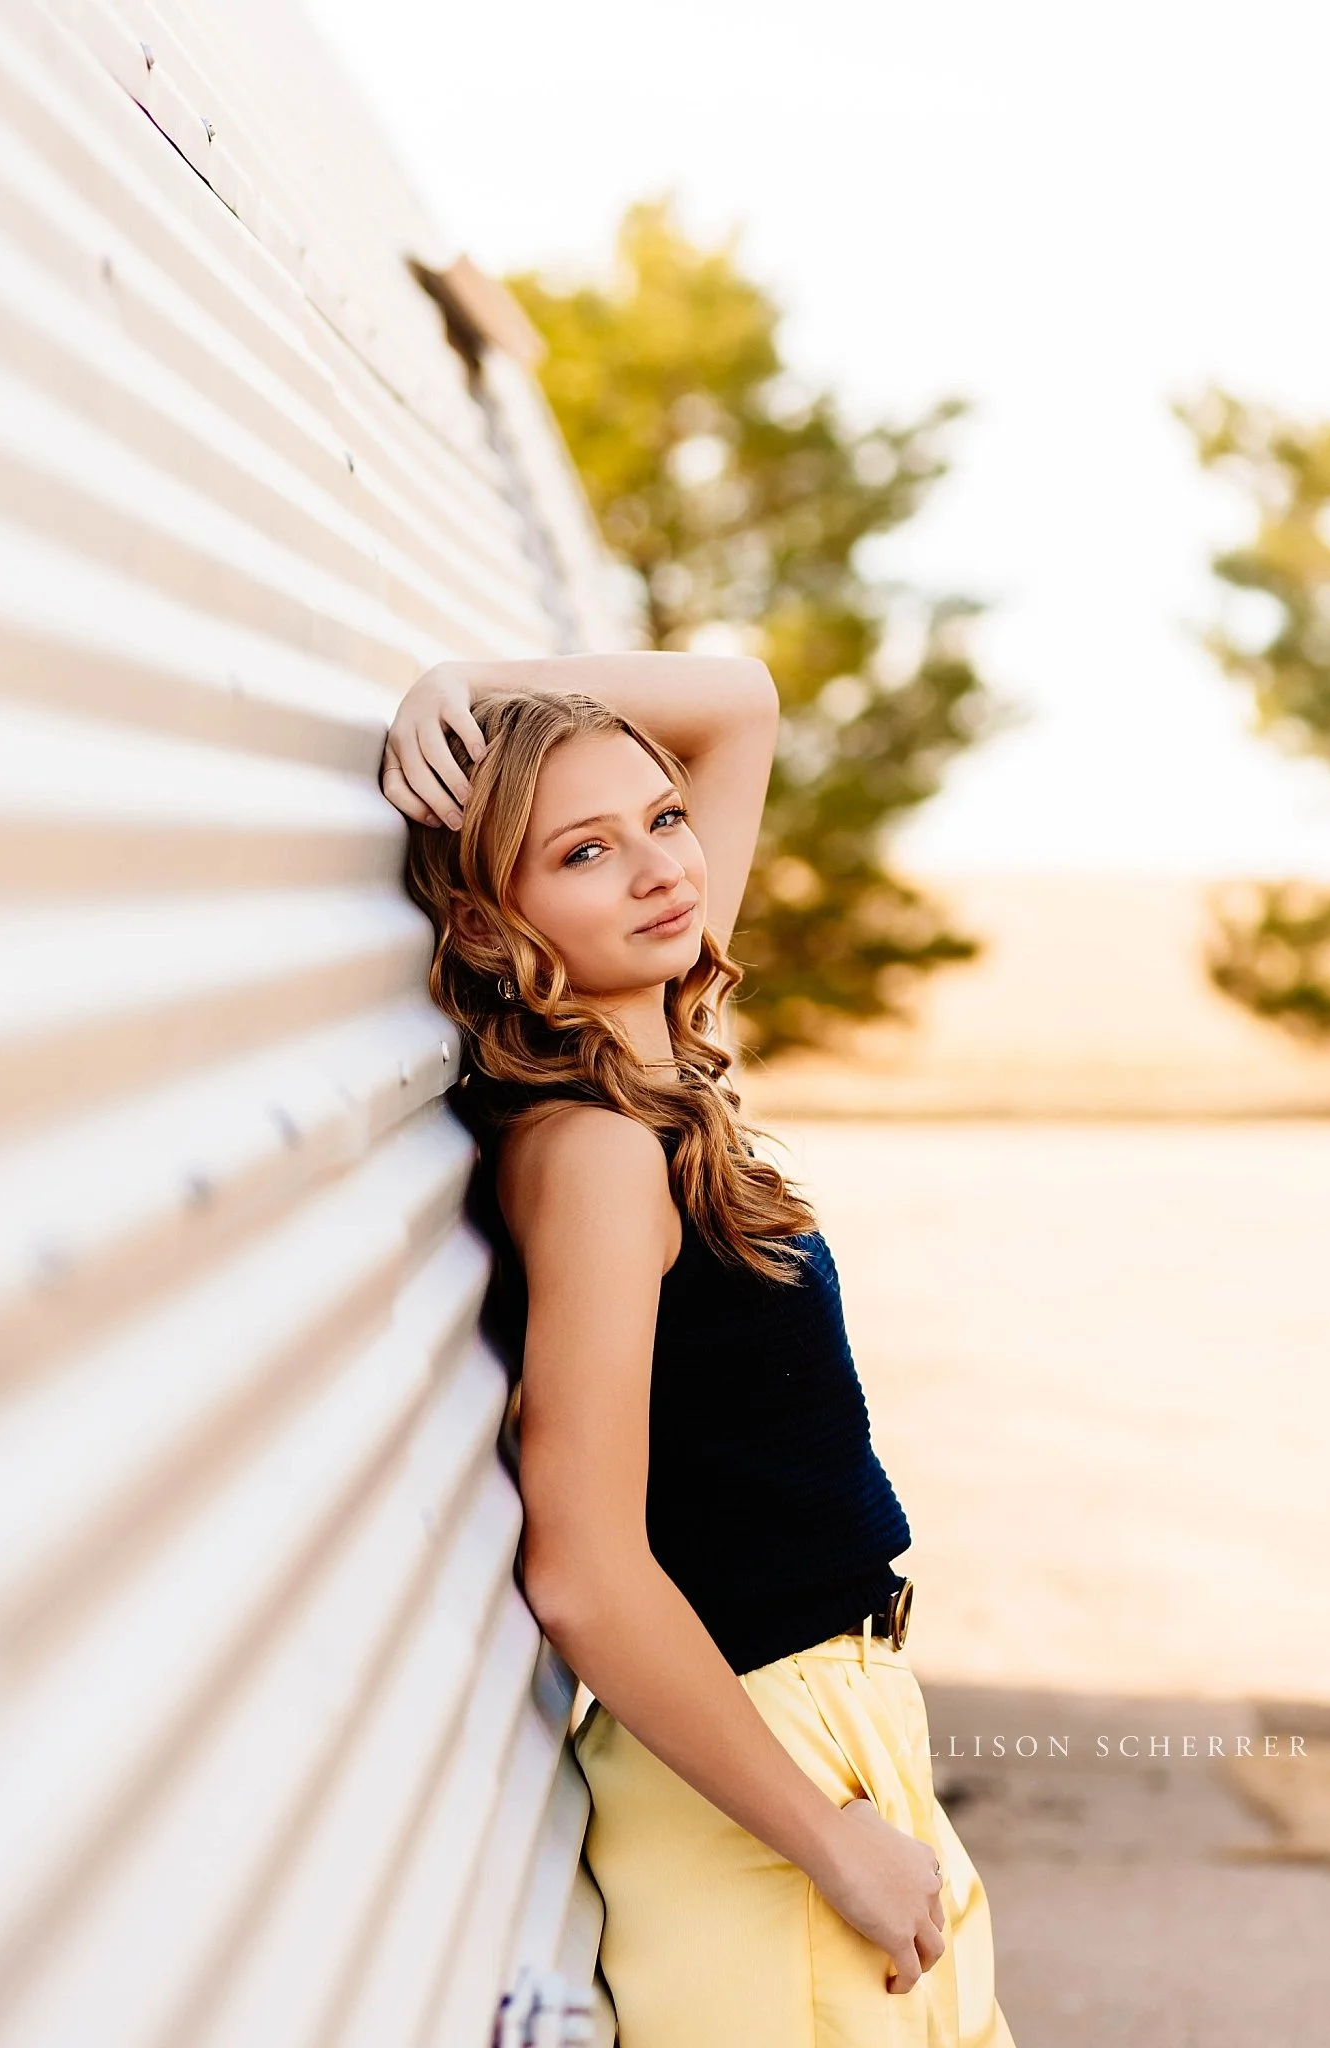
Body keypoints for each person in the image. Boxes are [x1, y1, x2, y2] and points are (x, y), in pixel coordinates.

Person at [382, 651, 1015, 2048]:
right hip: (769, 1785)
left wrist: (470, 685)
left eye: (663, 819)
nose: (662, 868)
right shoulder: (602, 1152)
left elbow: (735, 702)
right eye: (584, 851)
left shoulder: (658, 1059)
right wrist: (829, 1840)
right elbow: (586, 1569)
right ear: (492, 930)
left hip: (840, 1739)